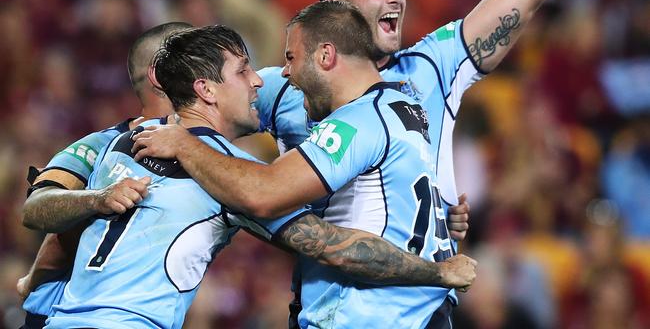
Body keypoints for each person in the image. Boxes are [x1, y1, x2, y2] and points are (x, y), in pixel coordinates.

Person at [258, 0, 580, 320]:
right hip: (331, 310)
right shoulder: (283, 84)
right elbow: (202, 111)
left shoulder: (432, 65)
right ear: (337, 3)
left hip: (424, 309)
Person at [46, 24, 476, 328]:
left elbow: (45, 220)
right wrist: (436, 272)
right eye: (242, 71)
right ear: (206, 90)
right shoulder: (225, 176)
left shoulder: (119, 141)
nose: (259, 81)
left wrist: (36, 289)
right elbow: (337, 249)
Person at [18, 21, 192, 329]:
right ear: (163, 74)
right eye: (200, 58)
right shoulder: (101, 145)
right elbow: (35, 208)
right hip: (59, 317)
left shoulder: (206, 153)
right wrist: (98, 198)